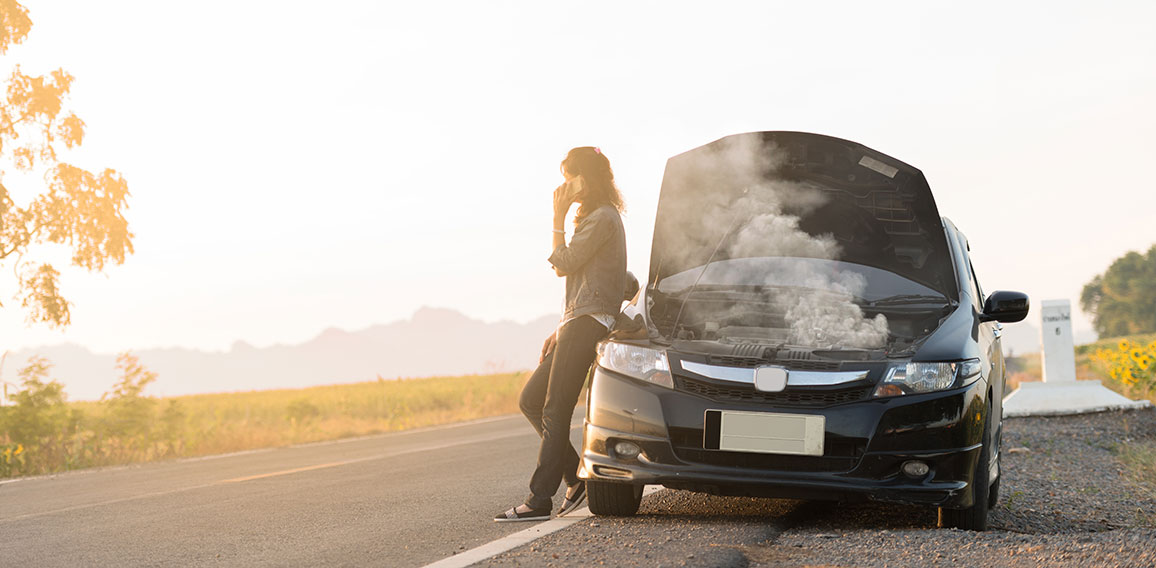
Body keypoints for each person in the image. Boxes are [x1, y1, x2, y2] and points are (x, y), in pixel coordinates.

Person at [495, 146, 627, 522]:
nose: (565, 184)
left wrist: (556, 216)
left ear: (587, 176)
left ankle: (539, 500)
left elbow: (564, 264)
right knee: (531, 400)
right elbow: (588, 280)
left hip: (587, 323)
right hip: (577, 321)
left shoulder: (602, 217)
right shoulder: (596, 218)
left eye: (571, 176)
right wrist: (562, 324)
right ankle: (575, 475)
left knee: (554, 407)